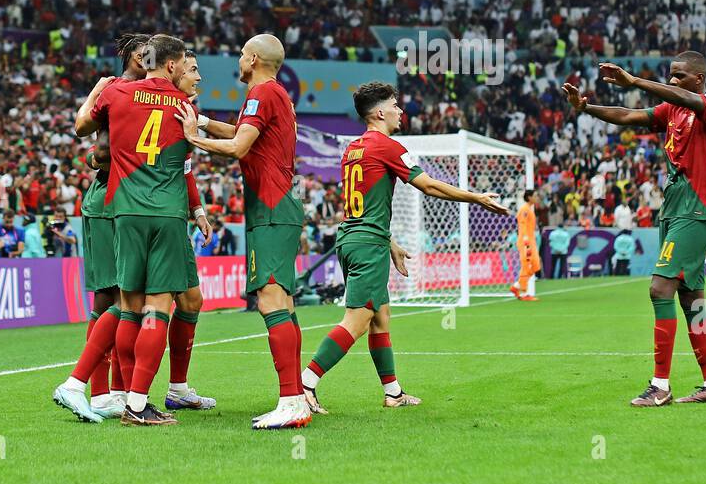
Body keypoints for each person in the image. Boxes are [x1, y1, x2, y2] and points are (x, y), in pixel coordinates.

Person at [296, 82, 509, 417]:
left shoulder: (353, 149)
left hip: (354, 238)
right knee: (358, 318)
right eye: (395, 105)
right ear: (379, 112)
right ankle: (305, 384)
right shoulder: (388, 146)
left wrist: (390, 243)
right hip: (366, 244)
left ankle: (392, 392)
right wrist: (476, 198)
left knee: (380, 317)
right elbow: (428, 185)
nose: (400, 111)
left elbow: (366, 205)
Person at [55, 33, 210, 426]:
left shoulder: (118, 93)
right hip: (165, 213)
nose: (196, 77)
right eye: (192, 68)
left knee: (125, 304)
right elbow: (187, 152)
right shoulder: (185, 107)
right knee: (155, 307)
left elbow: (85, 128)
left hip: (124, 210)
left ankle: (110, 391)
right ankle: (132, 401)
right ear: (172, 65)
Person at [567, 52, 706, 406]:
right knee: (691, 298)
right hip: (674, 208)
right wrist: (586, 108)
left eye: (680, 76)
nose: (673, 81)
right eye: (670, 75)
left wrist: (635, 82)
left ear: (699, 79)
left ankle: (661, 386)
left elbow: (685, 99)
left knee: (660, 289)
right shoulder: (670, 111)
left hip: (697, 207)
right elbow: (628, 116)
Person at [178, 34, 309, 430]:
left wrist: (192, 138)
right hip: (279, 204)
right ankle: (298, 395)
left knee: (270, 300)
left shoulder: (260, 94)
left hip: (269, 207)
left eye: (240, 54)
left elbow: (238, 146)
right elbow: (241, 130)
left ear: (252, 59)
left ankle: (290, 401)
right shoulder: (276, 94)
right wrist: (201, 120)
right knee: (283, 302)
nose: (238, 59)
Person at [510, 189, 542, 301]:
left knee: (536, 264)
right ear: (529, 197)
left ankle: (517, 286)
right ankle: (524, 293)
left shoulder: (529, 209)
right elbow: (522, 225)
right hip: (526, 242)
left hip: (531, 240)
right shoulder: (524, 209)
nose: (537, 198)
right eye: (535, 195)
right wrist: (525, 239)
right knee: (527, 265)